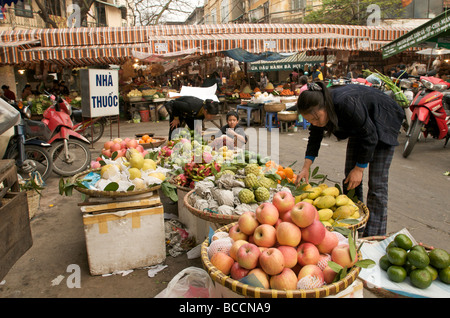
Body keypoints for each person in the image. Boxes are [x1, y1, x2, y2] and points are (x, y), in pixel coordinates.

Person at [294, 82, 404, 237]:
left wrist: (359, 168)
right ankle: (353, 223)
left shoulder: (346, 104)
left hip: (383, 120)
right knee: (350, 179)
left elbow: (370, 136)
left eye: (317, 118)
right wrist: (306, 167)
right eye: (311, 121)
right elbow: (315, 136)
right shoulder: (319, 109)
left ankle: (374, 235)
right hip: (362, 126)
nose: (316, 123)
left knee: (376, 184)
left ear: (325, 106)